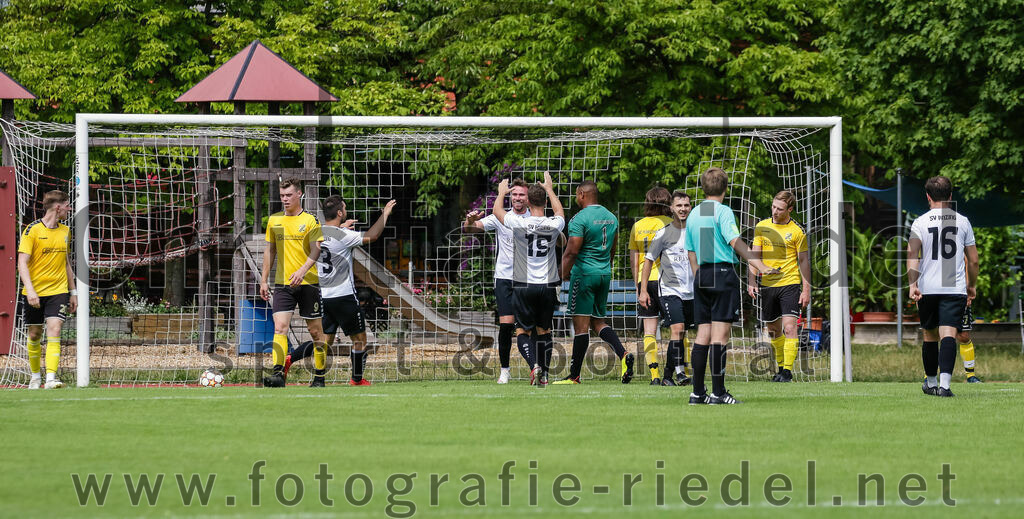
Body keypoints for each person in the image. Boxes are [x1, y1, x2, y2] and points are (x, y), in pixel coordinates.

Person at [685, 168, 776, 405]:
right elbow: (734, 241)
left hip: (702, 274)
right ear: (725, 189)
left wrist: (699, 278)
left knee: (702, 333)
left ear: (703, 188)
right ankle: (718, 392)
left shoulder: (694, 213)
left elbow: (691, 252)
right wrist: (760, 264)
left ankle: (697, 393)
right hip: (722, 272)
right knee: (720, 336)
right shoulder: (723, 212)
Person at [285, 196, 396, 386]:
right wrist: (385, 213)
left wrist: (341, 227)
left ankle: (291, 359)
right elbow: (373, 235)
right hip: (344, 297)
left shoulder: (316, 233)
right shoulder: (344, 236)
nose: (345, 210)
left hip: (323, 297)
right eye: (344, 208)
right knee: (359, 339)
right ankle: (356, 379)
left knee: (323, 343)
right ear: (339, 213)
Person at [554, 180, 633, 385]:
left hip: (584, 275)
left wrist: (560, 275)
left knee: (581, 327)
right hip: (603, 273)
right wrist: (603, 267)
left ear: (582, 194)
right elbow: (613, 249)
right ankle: (624, 355)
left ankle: (574, 376)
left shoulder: (580, 219)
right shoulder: (611, 217)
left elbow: (571, 251)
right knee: (598, 321)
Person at [908, 175, 978, 397]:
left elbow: (912, 256)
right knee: (948, 334)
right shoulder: (963, 221)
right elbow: (974, 260)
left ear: (928, 197)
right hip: (953, 285)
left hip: (928, 287)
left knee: (930, 336)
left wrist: (913, 285)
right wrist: (972, 286)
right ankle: (945, 387)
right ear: (950, 196)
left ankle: (930, 382)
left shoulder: (919, 222)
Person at [492, 172, 564, 386]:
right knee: (545, 331)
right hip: (547, 286)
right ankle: (545, 376)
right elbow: (559, 211)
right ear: (544, 201)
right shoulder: (553, 224)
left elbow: (497, 211)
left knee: (522, 330)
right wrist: (550, 189)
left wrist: (501, 193)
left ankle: (534, 365)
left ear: (528, 202)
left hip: (523, 285)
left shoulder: (518, 223)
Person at [463, 178, 536, 383]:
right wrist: (469, 220)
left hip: (527, 278)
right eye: (514, 194)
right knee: (506, 325)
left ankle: (536, 367)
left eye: (521, 194)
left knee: (529, 327)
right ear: (509, 196)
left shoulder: (535, 217)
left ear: (528, 197)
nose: (517, 198)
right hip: (504, 278)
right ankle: (504, 370)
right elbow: (471, 228)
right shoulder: (500, 217)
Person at [259, 178, 326, 388]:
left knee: (316, 332)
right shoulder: (274, 220)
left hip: (309, 283)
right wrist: (263, 279)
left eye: (288, 195)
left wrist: (303, 270)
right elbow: (270, 250)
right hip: (282, 283)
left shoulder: (310, 220)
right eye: (282, 196)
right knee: (280, 328)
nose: (285, 199)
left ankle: (319, 377)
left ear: (299, 194)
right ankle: (278, 374)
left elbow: (317, 249)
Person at [747, 191, 811, 383]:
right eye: (773, 207)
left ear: (789, 210)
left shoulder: (797, 232)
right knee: (773, 330)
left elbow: (804, 261)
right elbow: (754, 257)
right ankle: (782, 368)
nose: (774, 211)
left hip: (790, 284)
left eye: (779, 209)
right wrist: (751, 281)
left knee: (790, 327)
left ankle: (787, 372)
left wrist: (806, 289)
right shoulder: (762, 227)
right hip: (767, 285)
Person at [18, 190, 77, 389]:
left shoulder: (66, 231)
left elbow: (67, 263)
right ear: (58, 207)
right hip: (34, 292)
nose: (69, 210)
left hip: (58, 290)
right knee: (34, 334)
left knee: (55, 329)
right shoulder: (32, 230)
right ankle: (35, 377)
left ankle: (51, 378)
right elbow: (22, 262)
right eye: (67, 206)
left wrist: (73, 292)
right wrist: (31, 290)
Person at [638, 190, 694, 386]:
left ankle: (671, 374)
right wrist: (643, 290)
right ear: (671, 208)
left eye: (686, 205)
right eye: (679, 205)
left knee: (682, 333)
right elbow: (647, 261)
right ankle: (674, 374)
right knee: (677, 329)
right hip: (669, 290)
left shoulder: (696, 232)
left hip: (691, 291)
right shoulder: (663, 233)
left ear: (690, 207)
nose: (683, 209)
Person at [629, 186, 673, 385]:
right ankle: (681, 372)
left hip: (644, 280)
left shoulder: (638, 225)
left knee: (649, 331)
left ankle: (654, 376)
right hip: (667, 280)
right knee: (678, 327)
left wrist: (639, 286)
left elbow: (634, 258)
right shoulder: (673, 223)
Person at [956, 308, 982, 383]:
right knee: (933, 334)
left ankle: (971, 376)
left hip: (959, 299)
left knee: (964, 336)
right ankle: (928, 376)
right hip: (933, 297)